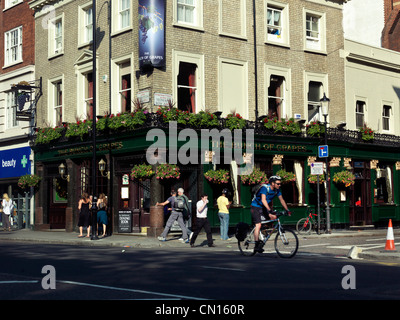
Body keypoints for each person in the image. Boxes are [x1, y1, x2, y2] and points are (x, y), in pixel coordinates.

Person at [251, 175, 290, 253]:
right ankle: (256, 245)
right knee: (258, 225)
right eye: (278, 184)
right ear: (272, 183)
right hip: (256, 207)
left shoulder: (277, 190)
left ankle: (263, 230)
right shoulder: (265, 188)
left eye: (280, 184)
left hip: (264, 207)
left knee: (273, 217)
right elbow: (263, 200)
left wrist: (287, 210)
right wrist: (269, 210)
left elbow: (281, 200)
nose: (279, 185)